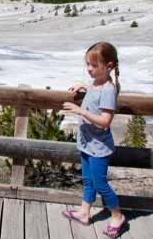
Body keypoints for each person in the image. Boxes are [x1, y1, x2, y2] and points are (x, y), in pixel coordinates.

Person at [61, 42, 127, 238]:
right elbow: (93, 91)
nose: (89, 69)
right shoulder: (97, 83)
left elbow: (105, 121)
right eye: (88, 64)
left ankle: (117, 216)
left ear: (109, 66)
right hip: (87, 143)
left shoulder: (108, 90)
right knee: (88, 180)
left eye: (94, 65)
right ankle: (84, 212)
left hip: (99, 147)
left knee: (100, 184)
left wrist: (80, 111)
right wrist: (83, 86)